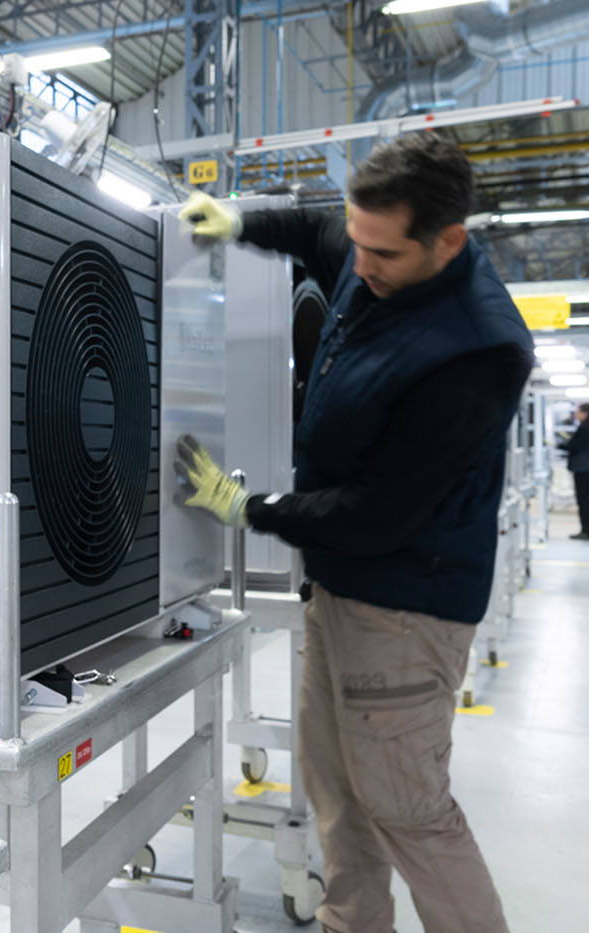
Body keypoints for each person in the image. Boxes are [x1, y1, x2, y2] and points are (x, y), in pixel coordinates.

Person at [172, 132, 532, 933]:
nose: (361, 266)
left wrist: (248, 507)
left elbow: (377, 514)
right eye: (359, 242)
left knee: (405, 804)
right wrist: (240, 220)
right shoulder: (373, 246)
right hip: (337, 585)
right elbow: (314, 229)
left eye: (384, 254)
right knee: (335, 784)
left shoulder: (477, 350)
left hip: (405, 607)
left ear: (448, 241)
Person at [564, 403, 589, 541]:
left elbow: (575, 446)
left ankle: (587, 531)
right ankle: (587, 530)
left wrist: (559, 445)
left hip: (583, 470)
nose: (576, 414)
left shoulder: (586, 429)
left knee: (584, 502)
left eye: (578, 411)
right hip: (587, 469)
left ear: (585, 413)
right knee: (586, 502)